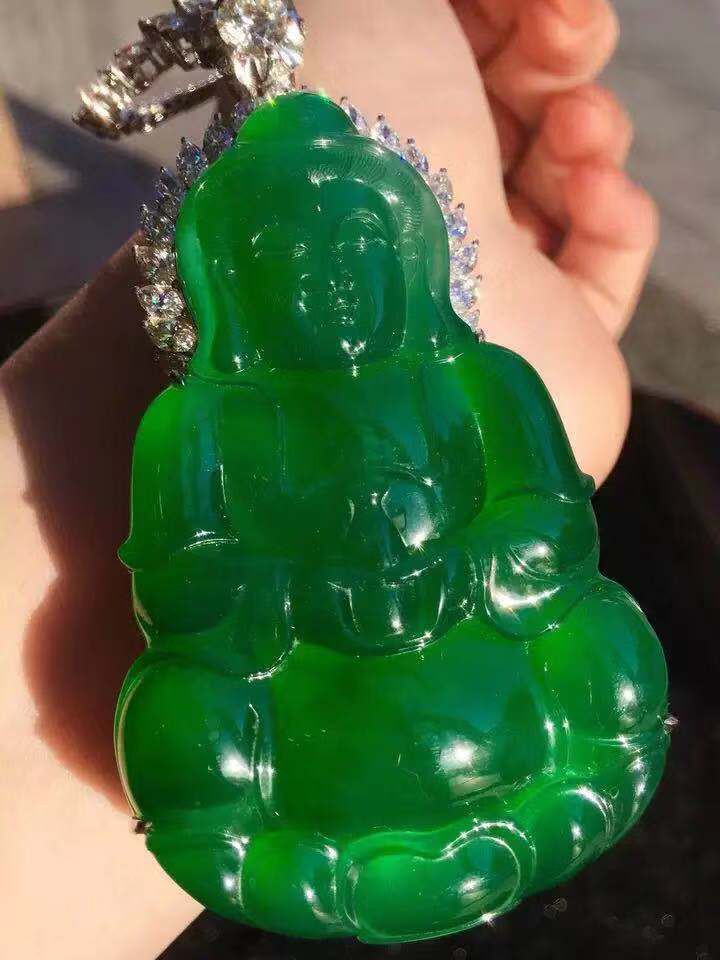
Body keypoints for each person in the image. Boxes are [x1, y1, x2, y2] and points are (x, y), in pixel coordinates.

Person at [0, 1, 658, 957]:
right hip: (311, 727)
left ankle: (16, 224)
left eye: (357, 245)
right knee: (182, 716)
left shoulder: (481, 376)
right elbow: (183, 596)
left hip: (484, 664)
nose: (330, 279)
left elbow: (555, 532)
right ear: (225, 281)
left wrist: (463, 566)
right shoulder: (197, 420)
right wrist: (305, 590)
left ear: (414, 252)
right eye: (283, 256)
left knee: (598, 636)